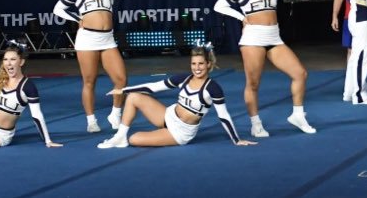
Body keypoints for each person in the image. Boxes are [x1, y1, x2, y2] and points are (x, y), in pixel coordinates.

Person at [213, 0, 336, 137]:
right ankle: (256, 124)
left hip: (274, 38)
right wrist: (241, 17)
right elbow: (219, 5)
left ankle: (298, 115)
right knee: (253, 84)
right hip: (253, 39)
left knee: (300, 73)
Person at [52, 0, 160, 132]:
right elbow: (58, 9)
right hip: (87, 40)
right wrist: (77, 18)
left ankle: (115, 115)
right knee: (89, 81)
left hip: (107, 40)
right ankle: (91, 121)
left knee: (121, 80)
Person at [97, 43, 255, 148]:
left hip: (180, 132)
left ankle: (129, 138)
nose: (197, 68)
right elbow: (153, 87)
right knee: (133, 97)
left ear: (208, 64)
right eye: (194, 64)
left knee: (135, 139)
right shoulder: (184, 78)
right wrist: (123, 90)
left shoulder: (213, 88)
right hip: (167, 116)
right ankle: (120, 137)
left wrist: (236, 140)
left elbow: (224, 116)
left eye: (201, 64)